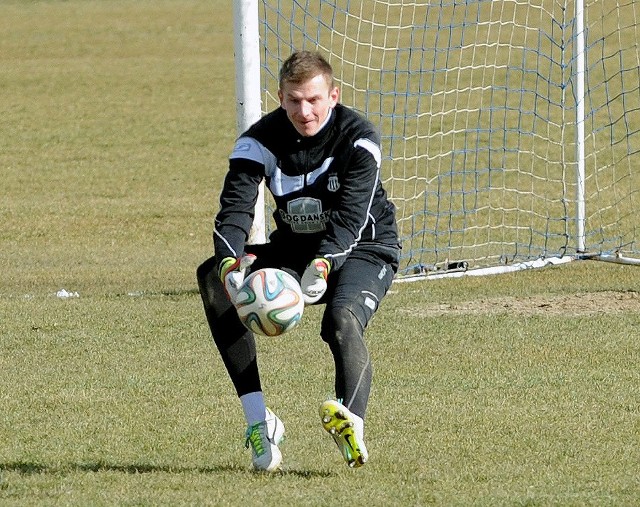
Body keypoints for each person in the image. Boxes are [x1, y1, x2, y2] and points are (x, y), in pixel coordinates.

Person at [197, 50, 400, 472]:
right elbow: (233, 212)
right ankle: (259, 423)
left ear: (333, 96)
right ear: (280, 97)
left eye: (313, 100)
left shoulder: (358, 138)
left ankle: (351, 421)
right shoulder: (258, 141)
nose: (303, 111)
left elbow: (352, 216)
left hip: (364, 247)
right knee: (211, 277)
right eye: (293, 100)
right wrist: (230, 265)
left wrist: (324, 263)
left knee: (340, 322)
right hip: (295, 251)